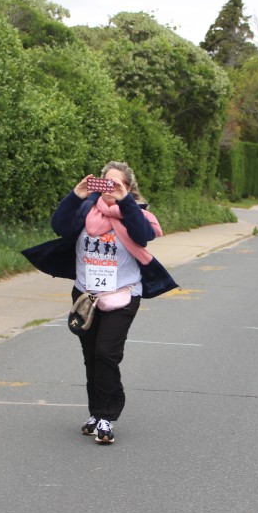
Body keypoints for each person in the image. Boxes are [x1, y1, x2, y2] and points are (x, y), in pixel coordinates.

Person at [21, 162, 178, 443]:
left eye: (117, 184)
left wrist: (125, 201)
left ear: (128, 188)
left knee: (106, 353)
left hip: (123, 294)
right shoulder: (86, 211)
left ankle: (107, 416)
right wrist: (76, 195)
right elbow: (59, 226)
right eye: (106, 183)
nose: (110, 189)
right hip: (86, 295)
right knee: (91, 355)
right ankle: (96, 413)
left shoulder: (136, 215)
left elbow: (142, 235)